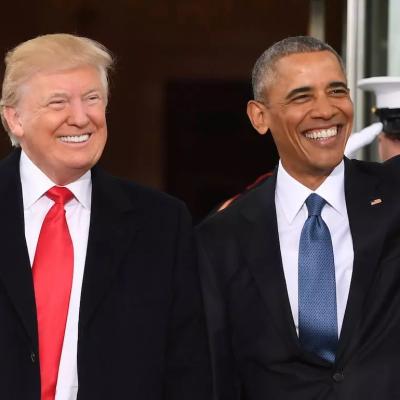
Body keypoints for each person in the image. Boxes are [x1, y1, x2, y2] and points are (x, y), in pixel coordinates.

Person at [0, 33, 211, 400]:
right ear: (15, 118)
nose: (80, 118)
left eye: (92, 99)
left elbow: (187, 366)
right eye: (58, 102)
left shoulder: (161, 224)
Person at [197, 36, 400, 399]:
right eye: (302, 96)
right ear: (259, 117)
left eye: (337, 91)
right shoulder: (220, 238)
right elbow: (214, 372)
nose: (326, 110)